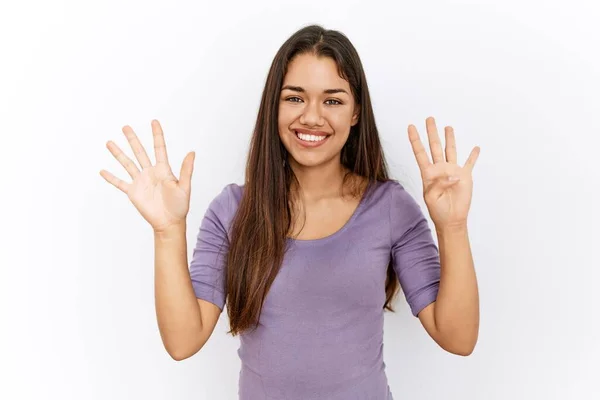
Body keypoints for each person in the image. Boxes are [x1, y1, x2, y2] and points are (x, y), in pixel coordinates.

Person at [100, 24, 480, 400]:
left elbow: (458, 338)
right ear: (273, 106)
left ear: (355, 113)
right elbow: (183, 342)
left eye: (333, 100)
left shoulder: (390, 207)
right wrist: (168, 231)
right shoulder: (233, 210)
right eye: (295, 98)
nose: (312, 117)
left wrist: (454, 227)